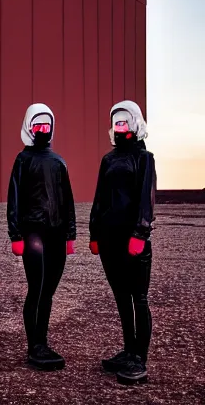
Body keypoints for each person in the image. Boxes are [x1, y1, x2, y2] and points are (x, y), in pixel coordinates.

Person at [89, 100, 156, 385]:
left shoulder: (144, 158)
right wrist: (94, 234)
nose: (120, 127)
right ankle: (128, 350)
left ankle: (139, 358)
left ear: (135, 123)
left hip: (133, 241)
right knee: (121, 298)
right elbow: (99, 199)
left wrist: (140, 235)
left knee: (139, 299)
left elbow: (146, 200)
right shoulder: (108, 160)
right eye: (117, 122)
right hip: (109, 240)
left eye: (124, 122)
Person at [7, 103, 76, 371]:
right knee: (36, 289)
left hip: (57, 234)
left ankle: (42, 342)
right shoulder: (22, 161)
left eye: (46, 126)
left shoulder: (59, 162)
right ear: (29, 127)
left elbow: (68, 201)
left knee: (48, 291)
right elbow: (13, 198)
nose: (43, 130)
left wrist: (70, 234)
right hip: (32, 232)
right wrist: (15, 234)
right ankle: (34, 346)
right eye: (38, 125)